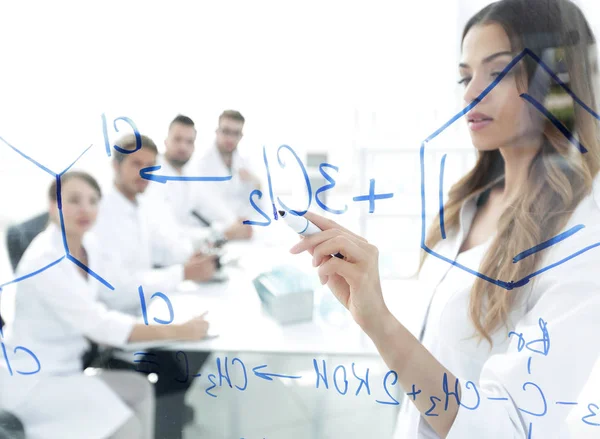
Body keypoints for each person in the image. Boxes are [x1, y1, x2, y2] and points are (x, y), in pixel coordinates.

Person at [289, 0, 600, 438]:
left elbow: (507, 425)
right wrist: (363, 287)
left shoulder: (583, 238)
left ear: (557, 81)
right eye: (465, 75)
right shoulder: (466, 205)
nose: (471, 92)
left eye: (498, 72)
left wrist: (379, 320)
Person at [0, 171, 210, 439]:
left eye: (93, 201)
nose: (85, 209)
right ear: (54, 206)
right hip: (36, 382)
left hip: (67, 370)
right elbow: (98, 324)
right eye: (74, 200)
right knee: (126, 426)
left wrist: (182, 274)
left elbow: (120, 286)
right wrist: (177, 331)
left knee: (139, 389)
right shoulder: (44, 260)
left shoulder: (88, 245)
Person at [92, 134, 216, 439]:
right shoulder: (102, 214)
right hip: (116, 324)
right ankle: (166, 422)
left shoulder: (138, 204)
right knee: (183, 359)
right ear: (115, 164)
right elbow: (117, 290)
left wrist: (191, 258)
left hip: (144, 309)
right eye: (137, 164)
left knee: (203, 342)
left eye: (151, 166)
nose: (145, 173)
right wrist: (181, 273)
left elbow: (162, 247)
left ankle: (167, 411)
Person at [144, 114, 252, 244]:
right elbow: (170, 232)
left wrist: (235, 223)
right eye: (177, 139)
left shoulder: (190, 172)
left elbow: (211, 204)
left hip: (190, 244)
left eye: (189, 141)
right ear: (166, 141)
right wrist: (224, 234)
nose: (183, 147)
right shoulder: (152, 177)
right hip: (166, 251)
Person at [194, 109, 262, 221]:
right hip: (218, 226)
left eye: (236, 133)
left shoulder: (245, 164)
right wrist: (234, 223)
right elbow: (209, 206)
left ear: (241, 136)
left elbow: (255, 203)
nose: (230, 138)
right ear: (217, 132)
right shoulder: (202, 165)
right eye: (226, 131)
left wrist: (256, 182)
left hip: (246, 224)